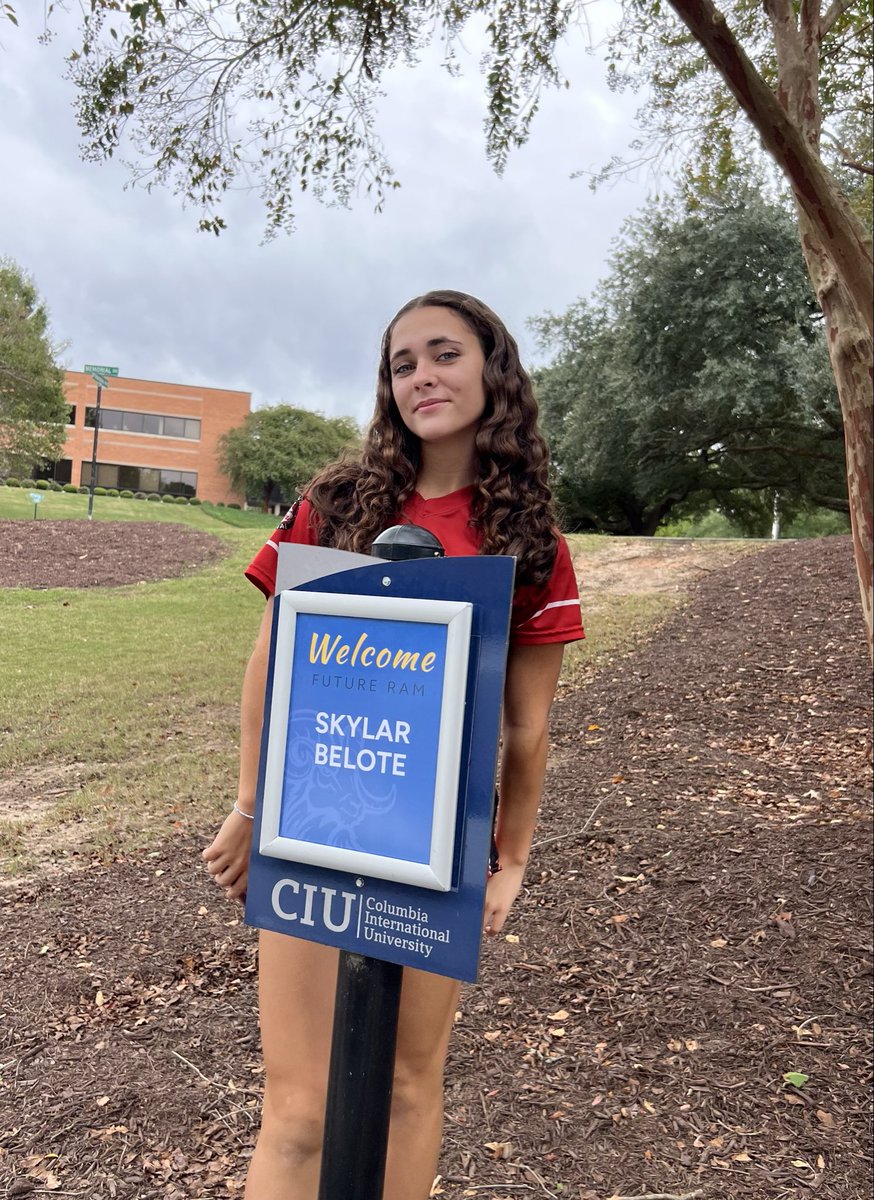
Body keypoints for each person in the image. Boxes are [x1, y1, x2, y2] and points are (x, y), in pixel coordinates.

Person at [203, 290, 584, 1199]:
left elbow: (527, 727)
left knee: (408, 1092)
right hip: (313, 826)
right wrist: (252, 806)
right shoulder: (335, 504)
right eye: (402, 363)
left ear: (494, 370)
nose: (422, 376)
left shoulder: (529, 541)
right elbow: (272, 662)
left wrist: (514, 859)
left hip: (434, 851)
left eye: (444, 354)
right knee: (298, 1108)